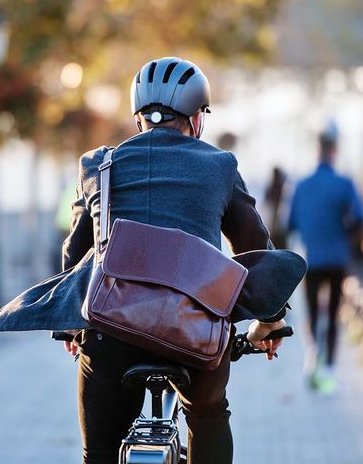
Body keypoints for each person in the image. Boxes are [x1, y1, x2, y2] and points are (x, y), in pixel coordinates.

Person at [60, 57, 290, 464]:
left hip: (112, 333)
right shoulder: (220, 166)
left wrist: (71, 327)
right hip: (196, 333)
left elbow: (75, 255)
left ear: (138, 120)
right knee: (207, 414)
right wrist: (269, 321)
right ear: (197, 119)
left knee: (98, 452)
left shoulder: (98, 165)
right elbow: (255, 251)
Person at [288, 124, 363, 394]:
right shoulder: (345, 185)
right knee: (333, 314)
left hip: (311, 259)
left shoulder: (302, 186)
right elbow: (359, 219)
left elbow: (292, 223)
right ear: (334, 152)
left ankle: (312, 358)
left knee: (310, 313)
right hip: (337, 258)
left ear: (317, 151)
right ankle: (330, 368)